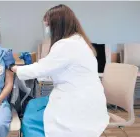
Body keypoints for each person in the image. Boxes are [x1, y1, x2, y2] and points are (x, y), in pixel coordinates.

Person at [11, 4, 109, 137]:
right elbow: (53, 66)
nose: (46, 29)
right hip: (86, 98)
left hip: (77, 104)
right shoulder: (79, 40)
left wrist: (13, 68)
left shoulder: (66, 45)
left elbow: (41, 68)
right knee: (33, 104)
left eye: (48, 24)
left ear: (57, 25)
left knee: (30, 119)